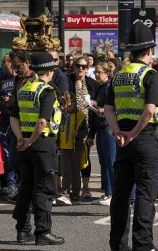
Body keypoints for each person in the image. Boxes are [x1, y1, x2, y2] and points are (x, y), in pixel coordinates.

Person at [104, 22, 158, 251]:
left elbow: (108, 109)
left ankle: (118, 245)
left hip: (122, 140)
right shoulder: (150, 75)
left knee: (120, 195)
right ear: (149, 50)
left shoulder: (119, 75)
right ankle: (143, 244)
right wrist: (133, 134)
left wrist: (117, 131)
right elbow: (150, 110)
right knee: (145, 194)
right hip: (143, 138)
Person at [11, 51, 64, 246]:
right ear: (49, 71)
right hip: (41, 143)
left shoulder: (24, 89)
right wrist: (32, 139)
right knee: (43, 189)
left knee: (26, 187)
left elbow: (13, 118)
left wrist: (21, 139)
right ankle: (43, 232)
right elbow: (43, 121)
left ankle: (23, 231)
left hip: (24, 143)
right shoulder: (47, 91)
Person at [59, 56, 93, 205]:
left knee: (83, 162)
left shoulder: (92, 84)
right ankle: (66, 192)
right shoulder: (68, 81)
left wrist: (90, 133)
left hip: (84, 124)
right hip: (69, 124)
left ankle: (83, 190)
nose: (80, 69)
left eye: (83, 67)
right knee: (67, 166)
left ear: (87, 68)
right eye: (78, 65)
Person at [87, 61, 115, 206]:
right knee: (103, 162)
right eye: (96, 72)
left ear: (107, 73)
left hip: (107, 127)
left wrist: (103, 109)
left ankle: (113, 194)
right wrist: (91, 134)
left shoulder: (110, 87)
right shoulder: (100, 88)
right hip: (99, 126)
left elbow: (114, 106)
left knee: (110, 161)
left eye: (100, 72)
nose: (97, 75)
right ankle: (107, 193)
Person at [0, 54, 18, 199]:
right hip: (4, 121)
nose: (3, 65)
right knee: (7, 153)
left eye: (4, 62)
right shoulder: (0, 80)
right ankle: (10, 182)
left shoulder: (20, 80)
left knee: (15, 152)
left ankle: (16, 181)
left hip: (17, 120)